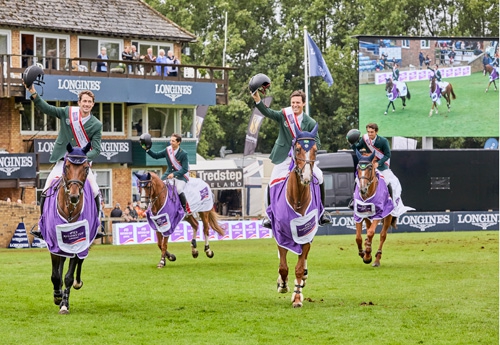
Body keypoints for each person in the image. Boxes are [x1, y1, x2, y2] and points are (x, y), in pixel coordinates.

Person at [25, 83, 104, 238]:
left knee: (95, 190)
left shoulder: (96, 124)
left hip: (81, 165)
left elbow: (97, 149)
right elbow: (48, 109)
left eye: (89, 102)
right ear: (79, 102)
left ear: (93, 104)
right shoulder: (68, 112)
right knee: (47, 187)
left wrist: (82, 158)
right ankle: (42, 224)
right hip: (63, 162)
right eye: (84, 101)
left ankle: (97, 223)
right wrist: (33, 92)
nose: (86, 104)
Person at [251, 89, 331, 227]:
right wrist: (258, 99)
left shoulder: (310, 122)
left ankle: (322, 212)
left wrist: (307, 145)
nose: (295, 105)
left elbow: (317, 141)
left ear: (303, 103)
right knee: (271, 182)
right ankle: (269, 216)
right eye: (293, 102)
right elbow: (268, 112)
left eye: (298, 103)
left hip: (303, 158)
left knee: (320, 175)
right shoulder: (284, 115)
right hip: (285, 157)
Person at [350, 123, 413, 218]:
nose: (370, 134)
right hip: (369, 167)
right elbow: (357, 149)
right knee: (357, 180)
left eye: (371, 132)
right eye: (368, 132)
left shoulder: (383, 141)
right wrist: (352, 143)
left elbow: (388, 155)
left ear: (376, 132)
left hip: (382, 167)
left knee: (389, 182)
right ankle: (353, 201)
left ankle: (391, 203)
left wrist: (378, 163)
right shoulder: (365, 139)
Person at [141, 133, 191, 215]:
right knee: (158, 187)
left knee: (179, 189)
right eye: (170, 140)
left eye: (173, 141)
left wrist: (174, 174)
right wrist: (147, 149)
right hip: (168, 174)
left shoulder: (183, 154)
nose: (171, 142)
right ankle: (152, 207)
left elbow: (185, 169)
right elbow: (156, 156)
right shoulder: (168, 150)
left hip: (181, 176)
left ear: (178, 142)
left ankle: (185, 208)